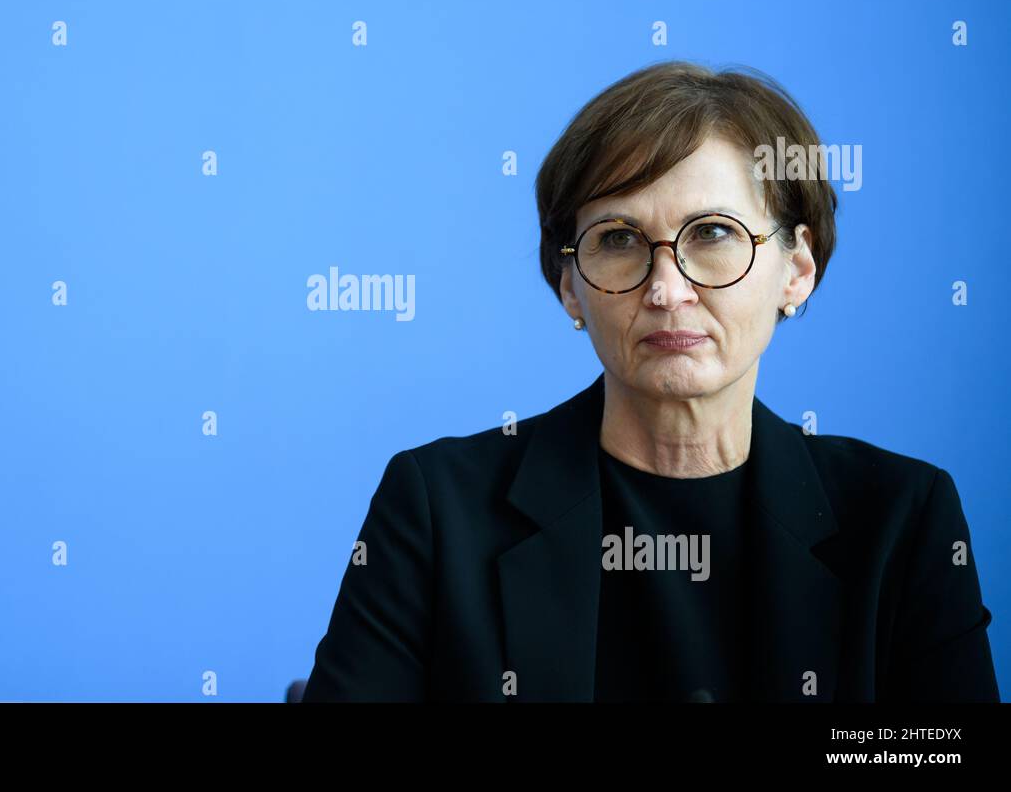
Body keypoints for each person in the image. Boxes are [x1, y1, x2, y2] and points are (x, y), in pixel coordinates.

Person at [300, 61, 1000, 702]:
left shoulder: (904, 519)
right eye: (619, 239)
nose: (667, 290)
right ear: (570, 286)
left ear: (797, 270)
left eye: (714, 233)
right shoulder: (435, 509)